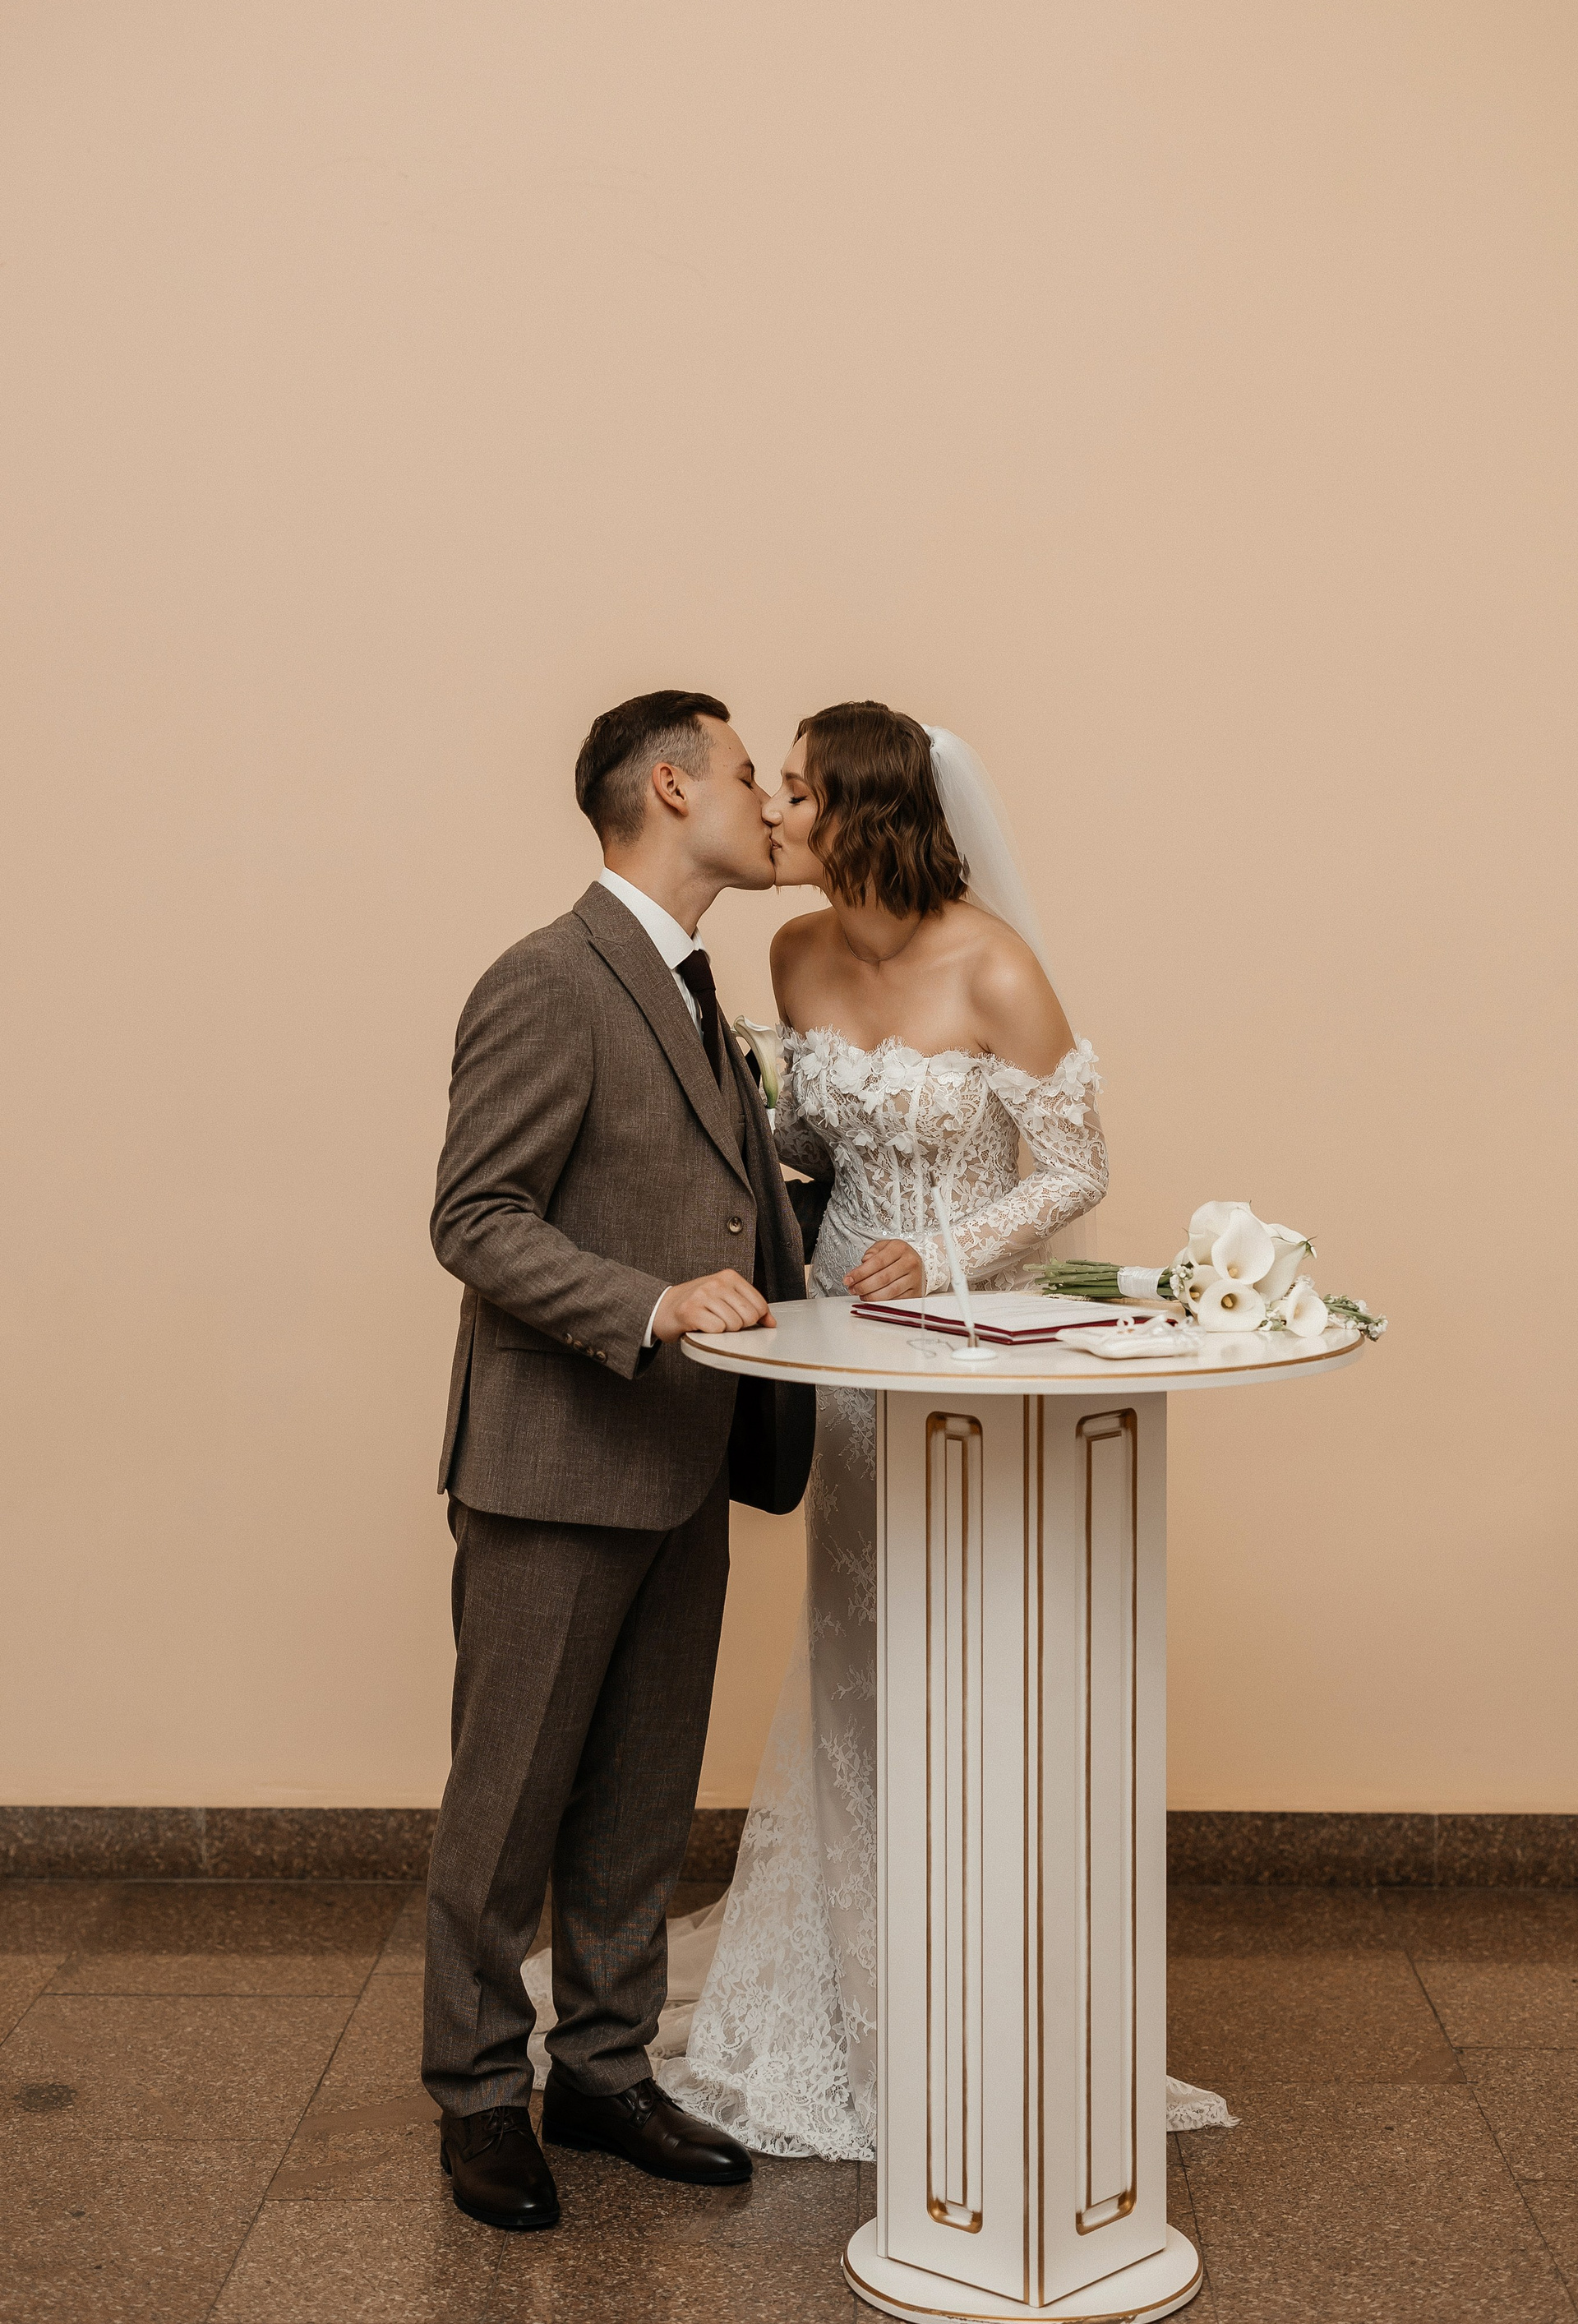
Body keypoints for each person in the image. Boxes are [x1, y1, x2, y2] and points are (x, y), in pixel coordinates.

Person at [662, 700, 1232, 2155]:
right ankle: (862, 1996)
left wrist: (946, 1253)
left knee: (972, 1639)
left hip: (971, 1331)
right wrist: (745, 1122)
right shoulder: (792, 954)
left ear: (863, 813)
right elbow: (813, 1141)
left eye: (798, 790)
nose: (773, 809)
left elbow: (1075, 1167)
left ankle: (990, 1982)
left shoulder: (994, 963)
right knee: (857, 1642)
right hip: (844, 1340)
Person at [421, 689, 810, 2231]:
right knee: (508, 1799)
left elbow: (715, 1192)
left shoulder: (701, 991)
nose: (769, 801)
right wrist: (650, 1303)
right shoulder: (549, 977)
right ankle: (475, 2094)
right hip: (553, 1463)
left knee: (646, 1794)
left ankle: (600, 2069)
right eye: (744, 772)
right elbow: (475, 1216)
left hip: (680, 1458)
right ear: (670, 785)